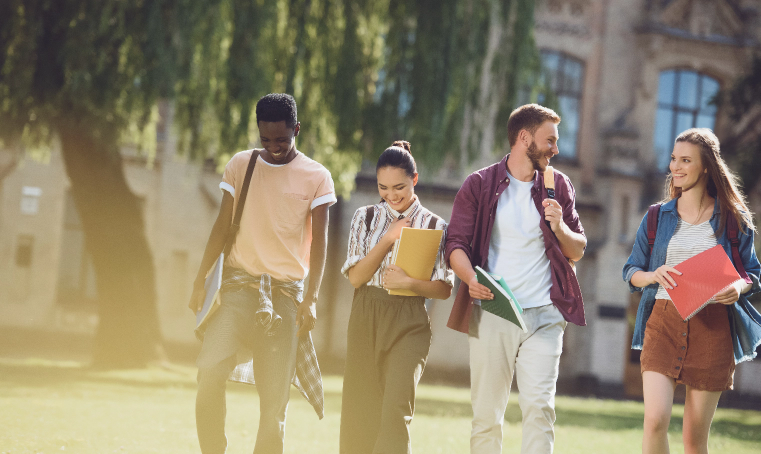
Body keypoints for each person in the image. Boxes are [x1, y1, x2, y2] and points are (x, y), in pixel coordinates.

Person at [188, 93, 336, 454]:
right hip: (237, 291)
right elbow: (222, 225)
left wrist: (312, 299)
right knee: (208, 372)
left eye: (282, 140)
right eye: (265, 139)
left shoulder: (317, 176)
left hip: (285, 299)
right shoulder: (241, 165)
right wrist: (200, 277)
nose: (273, 147)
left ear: (296, 129)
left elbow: (319, 245)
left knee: (273, 405)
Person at [445, 104, 586, 454]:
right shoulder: (479, 184)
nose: (556, 148)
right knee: (487, 415)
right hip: (496, 310)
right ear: (524, 138)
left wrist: (560, 226)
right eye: (549, 140)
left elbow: (578, 248)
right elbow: (455, 244)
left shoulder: (559, 186)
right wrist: (470, 278)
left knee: (540, 408)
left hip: (545, 314)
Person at [622, 128, 761, 454]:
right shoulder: (657, 216)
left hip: (713, 329)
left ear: (707, 167)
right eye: (674, 159)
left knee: (694, 441)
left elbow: (753, 273)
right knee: (655, 421)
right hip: (663, 322)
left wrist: (737, 287)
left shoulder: (733, 219)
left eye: (686, 160)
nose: (676, 166)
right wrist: (653, 274)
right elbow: (630, 272)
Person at [339, 140, 455, 454]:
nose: (391, 195)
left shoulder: (435, 225)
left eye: (399, 187)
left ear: (414, 180)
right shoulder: (363, 218)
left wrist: (410, 282)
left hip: (409, 320)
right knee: (359, 415)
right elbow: (356, 277)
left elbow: (444, 287)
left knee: (395, 412)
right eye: (383, 187)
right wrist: (389, 238)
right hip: (366, 315)